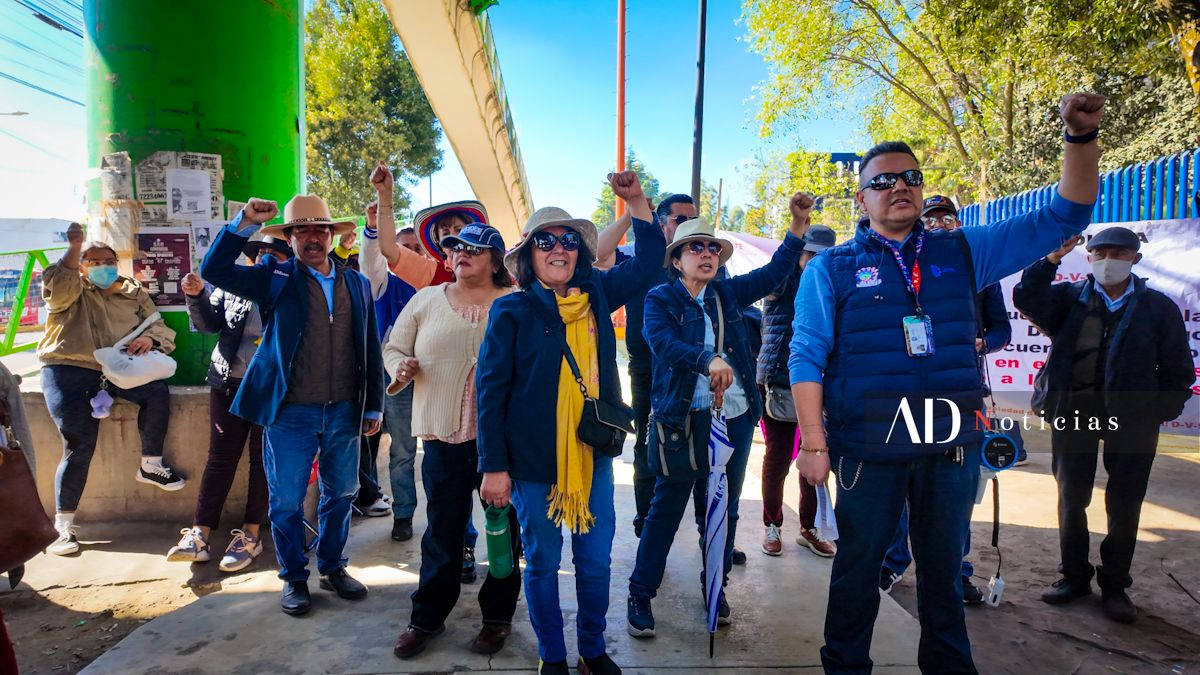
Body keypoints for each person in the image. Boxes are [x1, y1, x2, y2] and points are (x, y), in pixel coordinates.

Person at [789, 93, 1106, 674]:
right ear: (862, 198)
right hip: (869, 448)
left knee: (942, 576)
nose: (899, 187)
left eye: (910, 176)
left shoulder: (963, 251)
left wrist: (1079, 139)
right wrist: (813, 444)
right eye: (883, 181)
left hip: (949, 447)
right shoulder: (830, 269)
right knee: (859, 570)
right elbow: (806, 356)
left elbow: (1067, 214)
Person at [477, 172, 664, 675]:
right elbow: (490, 393)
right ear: (529, 254)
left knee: (597, 561)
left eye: (568, 241)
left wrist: (636, 203)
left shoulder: (599, 294)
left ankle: (592, 650)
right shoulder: (510, 310)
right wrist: (493, 466)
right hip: (532, 459)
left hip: (592, 451)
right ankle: (552, 656)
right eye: (546, 241)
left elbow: (649, 262)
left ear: (579, 252)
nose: (558, 249)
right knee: (541, 562)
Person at [626, 196, 811, 638]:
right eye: (696, 248)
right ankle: (640, 592)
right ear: (676, 259)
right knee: (665, 510)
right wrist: (706, 358)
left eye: (712, 248)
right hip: (679, 419)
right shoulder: (659, 299)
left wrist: (797, 227)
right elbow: (663, 345)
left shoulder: (727, 293)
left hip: (735, 418)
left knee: (722, 510)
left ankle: (716, 587)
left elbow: (773, 273)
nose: (707, 254)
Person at [201, 195, 384, 617]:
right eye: (302, 231)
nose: (313, 238)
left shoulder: (355, 283)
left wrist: (372, 405)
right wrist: (244, 221)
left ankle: (334, 567)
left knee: (341, 494)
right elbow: (213, 270)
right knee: (285, 501)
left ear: (331, 235)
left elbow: (369, 345)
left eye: (320, 230)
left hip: (344, 410)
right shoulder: (275, 276)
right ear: (291, 238)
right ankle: (295, 578)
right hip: (289, 412)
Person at [1013, 225, 1194, 623]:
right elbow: (1026, 297)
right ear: (1089, 257)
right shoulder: (1068, 298)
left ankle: (1115, 585)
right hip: (1074, 411)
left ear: (1136, 258)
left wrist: (1155, 411)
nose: (1108, 260)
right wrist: (1051, 258)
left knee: (1125, 503)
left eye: (1119, 253)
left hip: (1131, 420)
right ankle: (1074, 578)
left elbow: (1179, 372)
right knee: (1072, 497)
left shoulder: (1157, 308)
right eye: (1100, 253)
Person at [387, 223, 523, 659]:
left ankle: (497, 618)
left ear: (497, 260)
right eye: (456, 248)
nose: (462, 254)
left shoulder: (515, 304)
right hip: (444, 441)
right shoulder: (426, 300)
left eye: (475, 249)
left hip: (501, 447)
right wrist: (400, 367)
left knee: (504, 535)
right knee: (441, 535)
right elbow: (393, 346)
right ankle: (425, 618)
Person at [879, 195, 1014, 604]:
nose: (938, 225)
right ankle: (893, 562)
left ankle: (958, 571)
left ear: (959, 222)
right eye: (931, 219)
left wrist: (980, 343)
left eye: (946, 218)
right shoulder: (901, 269)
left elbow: (1002, 330)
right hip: (906, 396)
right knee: (901, 483)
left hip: (960, 394)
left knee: (958, 489)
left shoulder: (978, 272)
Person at [38, 223, 184, 556]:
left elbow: (158, 325)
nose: (101, 266)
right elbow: (59, 291)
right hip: (71, 369)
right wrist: (74, 248)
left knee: (157, 394)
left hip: (119, 370)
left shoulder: (132, 290)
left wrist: (151, 339)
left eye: (107, 260)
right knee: (79, 444)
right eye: (92, 260)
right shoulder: (69, 283)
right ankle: (64, 526)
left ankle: (151, 463)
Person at [367, 164, 482, 572]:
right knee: (437, 475)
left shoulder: (500, 282)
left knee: (486, 480)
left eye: (462, 230)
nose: (457, 242)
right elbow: (388, 251)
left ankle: (486, 552)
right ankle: (446, 546)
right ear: (438, 243)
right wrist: (385, 200)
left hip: (480, 398)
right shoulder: (430, 274)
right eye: (447, 234)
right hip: (427, 391)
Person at [165, 236, 292, 572]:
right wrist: (196, 296)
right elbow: (208, 324)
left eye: (274, 254)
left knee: (262, 462)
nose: (265, 259)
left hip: (271, 389)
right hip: (228, 384)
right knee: (220, 458)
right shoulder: (233, 288)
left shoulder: (292, 290)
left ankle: (251, 535)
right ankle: (199, 534)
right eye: (260, 253)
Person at [756, 224, 838, 559]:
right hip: (778, 378)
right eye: (809, 253)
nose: (814, 260)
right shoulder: (783, 279)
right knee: (777, 460)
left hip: (821, 383)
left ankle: (810, 527)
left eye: (821, 254)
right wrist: (790, 257)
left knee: (816, 458)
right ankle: (772, 526)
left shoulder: (833, 283)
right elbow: (771, 282)